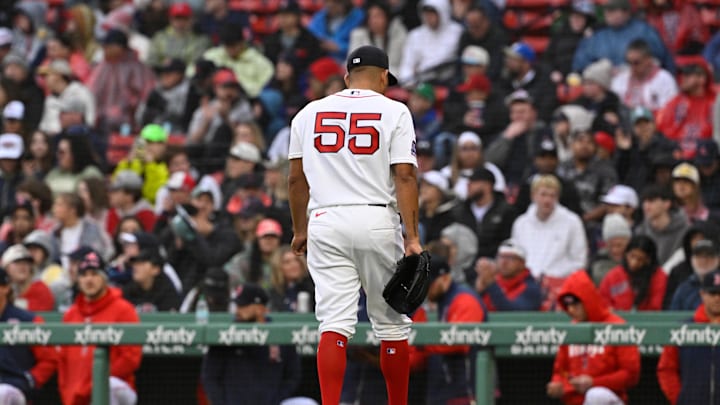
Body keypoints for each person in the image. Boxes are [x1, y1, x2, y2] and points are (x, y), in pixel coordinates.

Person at [288, 46, 421, 405]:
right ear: (383, 78)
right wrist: (413, 237)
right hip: (375, 216)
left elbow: (296, 181)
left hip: (325, 219)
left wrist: (300, 230)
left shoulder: (308, 112)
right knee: (391, 325)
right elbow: (405, 176)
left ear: (347, 78)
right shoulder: (395, 110)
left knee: (333, 324)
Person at [58, 250, 142, 405]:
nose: (89, 280)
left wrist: (95, 384)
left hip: (115, 391)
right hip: (76, 395)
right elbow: (63, 363)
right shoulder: (71, 315)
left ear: (104, 278)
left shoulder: (123, 310)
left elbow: (130, 359)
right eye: (84, 275)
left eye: (94, 274)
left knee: (111, 386)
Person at [547, 271, 641, 405]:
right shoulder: (571, 330)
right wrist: (558, 384)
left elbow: (631, 375)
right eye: (568, 306)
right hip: (575, 401)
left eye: (575, 304)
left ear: (587, 300)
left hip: (609, 398)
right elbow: (560, 371)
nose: (571, 310)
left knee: (596, 395)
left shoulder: (616, 326)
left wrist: (594, 383)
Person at [201, 283, 302, 404]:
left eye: (243, 305)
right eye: (237, 305)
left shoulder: (279, 334)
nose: (237, 310)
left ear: (260, 308)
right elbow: (210, 377)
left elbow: (292, 375)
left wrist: (276, 399)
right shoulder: (227, 334)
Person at [511, 175, 587, 311]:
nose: (547, 200)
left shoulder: (572, 222)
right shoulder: (521, 223)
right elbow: (516, 257)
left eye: (552, 196)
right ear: (533, 196)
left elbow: (579, 261)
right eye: (543, 195)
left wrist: (555, 279)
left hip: (560, 286)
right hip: (527, 285)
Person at [424, 254, 486, 403]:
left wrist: (421, 343)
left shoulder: (464, 299)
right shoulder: (445, 299)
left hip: (467, 391)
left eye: (429, 284)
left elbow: (459, 342)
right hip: (450, 388)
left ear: (445, 278)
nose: (425, 291)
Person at [658, 268, 720, 404]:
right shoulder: (684, 329)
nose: (717, 298)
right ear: (702, 294)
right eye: (713, 293)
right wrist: (680, 400)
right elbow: (667, 369)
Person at [0, 267, 58, 405]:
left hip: (15, 387)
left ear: (6, 288)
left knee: (3, 394)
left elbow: (50, 359)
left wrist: (32, 379)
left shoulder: (28, 320)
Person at [571, 0, 674, 73]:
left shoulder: (644, 31)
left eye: (612, 10)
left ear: (626, 12)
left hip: (639, 84)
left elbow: (661, 59)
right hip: (605, 89)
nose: (607, 14)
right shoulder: (597, 35)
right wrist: (603, 70)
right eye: (606, 10)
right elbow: (580, 64)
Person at [452, 167, 515, 267]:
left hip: (494, 264)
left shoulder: (506, 211)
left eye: (473, 182)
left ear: (487, 185)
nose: (468, 185)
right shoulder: (460, 211)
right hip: (464, 264)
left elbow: (507, 242)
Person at [656, 62, 716, 160]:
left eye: (688, 75)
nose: (682, 78)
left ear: (702, 78)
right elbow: (663, 129)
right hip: (675, 156)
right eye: (682, 75)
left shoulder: (714, 102)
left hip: (704, 158)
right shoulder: (675, 102)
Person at [398, 0, 462, 85]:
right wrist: (409, 83)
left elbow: (444, 60)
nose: (428, 17)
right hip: (418, 83)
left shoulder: (456, 32)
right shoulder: (415, 35)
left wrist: (419, 70)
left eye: (432, 14)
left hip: (446, 82)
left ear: (442, 12)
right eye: (426, 14)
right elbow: (407, 64)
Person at [599, 235, 667, 311]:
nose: (634, 263)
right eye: (632, 256)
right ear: (626, 253)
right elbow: (603, 301)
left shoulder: (658, 276)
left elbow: (656, 307)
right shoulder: (613, 276)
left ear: (648, 260)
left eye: (640, 259)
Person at [610, 38, 678, 112]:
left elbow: (669, 110)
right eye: (629, 62)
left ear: (649, 60)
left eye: (636, 63)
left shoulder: (664, 79)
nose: (632, 67)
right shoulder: (621, 78)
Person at [474, 239, 542, 311]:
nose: (504, 262)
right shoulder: (494, 280)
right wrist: (479, 292)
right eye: (501, 257)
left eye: (510, 258)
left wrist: (491, 284)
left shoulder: (531, 288)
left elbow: (512, 312)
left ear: (522, 263)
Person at [635, 184, 689, 266]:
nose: (646, 206)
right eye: (644, 201)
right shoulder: (641, 230)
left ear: (666, 204)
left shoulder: (685, 231)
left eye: (651, 201)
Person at [147, 2, 210, 67]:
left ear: (191, 19)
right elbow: (151, 61)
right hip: (162, 74)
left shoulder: (200, 40)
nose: (180, 22)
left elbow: (198, 63)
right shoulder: (159, 37)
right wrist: (162, 64)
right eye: (177, 18)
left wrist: (177, 65)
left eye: (185, 18)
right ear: (170, 19)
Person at [669, 239, 720, 311]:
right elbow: (673, 316)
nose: (704, 261)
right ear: (692, 259)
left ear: (718, 259)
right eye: (699, 256)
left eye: (709, 256)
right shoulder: (684, 288)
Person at [2, 244, 54, 311]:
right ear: (6, 267)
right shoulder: (2, 289)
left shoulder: (40, 289)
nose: (22, 266)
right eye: (17, 262)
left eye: (26, 263)